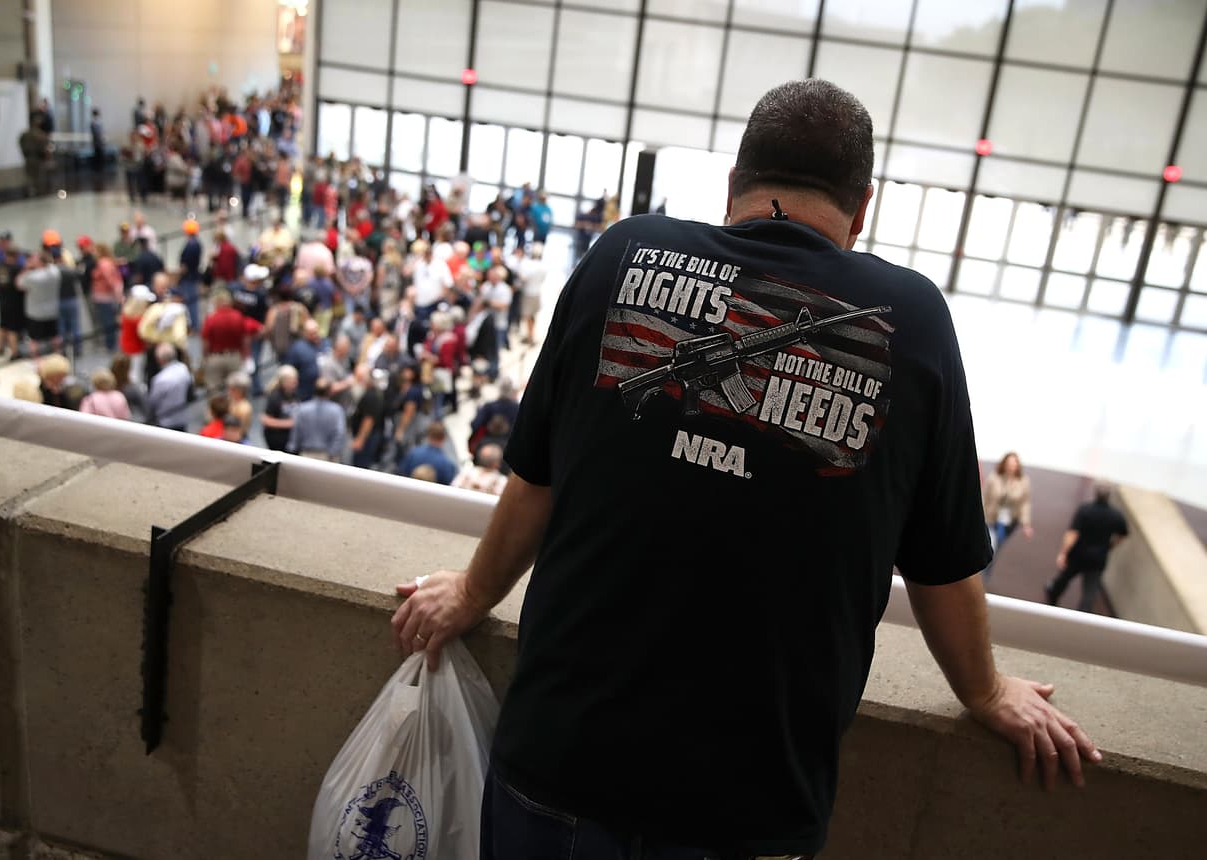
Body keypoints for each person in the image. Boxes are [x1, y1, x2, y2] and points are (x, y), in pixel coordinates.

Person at [390, 80, 1099, 859]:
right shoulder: (916, 319)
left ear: (733, 184)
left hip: (555, 761)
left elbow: (534, 477)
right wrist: (987, 693)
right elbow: (942, 563)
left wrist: (471, 592)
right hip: (750, 807)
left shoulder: (620, 254)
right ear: (863, 210)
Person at [1046, 482, 1129, 612]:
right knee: (1090, 591)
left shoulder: (1085, 510)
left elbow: (1073, 534)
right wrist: (1110, 545)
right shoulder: (1116, 515)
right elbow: (1123, 534)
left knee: (1064, 579)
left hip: (1078, 554)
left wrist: (1063, 552)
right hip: (1098, 558)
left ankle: (1052, 598)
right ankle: (1083, 614)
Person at [982, 451, 1034, 578]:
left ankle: (986, 571)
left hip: (1009, 522)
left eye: (1014, 464)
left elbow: (1024, 503)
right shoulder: (994, 478)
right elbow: (984, 496)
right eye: (1009, 464)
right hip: (991, 518)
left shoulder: (1023, 481)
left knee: (997, 546)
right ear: (1004, 464)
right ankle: (983, 573)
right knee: (991, 545)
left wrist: (1026, 524)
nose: (1011, 467)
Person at [201, 288, 263, 391]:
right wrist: (245, 355)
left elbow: (205, 342)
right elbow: (245, 338)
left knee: (214, 391)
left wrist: (205, 357)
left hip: (215, 357)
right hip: (234, 356)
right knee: (237, 389)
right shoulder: (238, 316)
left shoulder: (211, 318)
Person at [287, 377, 346, 461]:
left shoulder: (303, 409)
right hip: (327, 456)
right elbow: (339, 433)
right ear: (329, 391)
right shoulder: (336, 410)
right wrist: (333, 453)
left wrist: (293, 449)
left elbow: (296, 431)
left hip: (306, 455)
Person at [16, 251, 61, 357]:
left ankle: (36, 359)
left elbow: (18, 283)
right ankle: (58, 354)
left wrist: (27, 267)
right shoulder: (55, 271)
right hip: (52, 311)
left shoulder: (32, 277)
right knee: (54, 335)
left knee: (34, 339)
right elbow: (50, 265)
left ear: (40, 262)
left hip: (35, 313)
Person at [146, 342, 193, 431]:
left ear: (160, 359)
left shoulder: (160, 379)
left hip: (165, 421)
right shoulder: (184, 369)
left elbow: (153, 402)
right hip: (182, 418)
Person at [347, 362, 384, 468]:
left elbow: (368, 419)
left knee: (360, 466)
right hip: (367, 435)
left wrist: (360, 439)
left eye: (359, 378)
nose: (357, 380)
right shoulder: (370, 391)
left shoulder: (371, 395)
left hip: (368, 437)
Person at [90, 243, 125, 352]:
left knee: (108, 322)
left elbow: (110, 280)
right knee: (109, 321)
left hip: (105, 298)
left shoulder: (103, 263)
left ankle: (110, 345)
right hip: (106, 297)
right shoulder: (107, 262)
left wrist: (118, 295)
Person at [0, 242, 25, 358]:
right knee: (13, 328)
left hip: (2, 300)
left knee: (2, 324)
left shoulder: (0, 266)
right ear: (16, 256)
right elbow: (21, 286)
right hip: (14, 302)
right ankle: (14, 352)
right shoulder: (18, 269)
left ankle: (0, 348)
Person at [262, 364, 301, 451]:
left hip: (290, 438)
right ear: (284, 382)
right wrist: (288, 423)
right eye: (292, 381)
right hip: (277, 439)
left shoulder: (294, 394)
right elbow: (266, 420)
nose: (296, 383)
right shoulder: (275, 397)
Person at [282, 318, 323, 400]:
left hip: (322, 392)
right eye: (312, 333)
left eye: (316, 332)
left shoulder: (324, 342)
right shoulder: (297, 349)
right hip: (305, 393)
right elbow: (289, 370)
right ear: (305, 333)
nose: (315, 335)